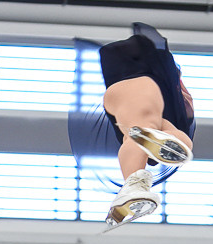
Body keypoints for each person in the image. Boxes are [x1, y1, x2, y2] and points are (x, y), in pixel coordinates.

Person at [69, 24, 195, 228]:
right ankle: (134, 184)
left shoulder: (144, 91)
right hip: (146, 89)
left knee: (163, 136)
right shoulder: (158, 77)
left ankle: (134, 185)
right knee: (144, 132)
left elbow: (186, 104)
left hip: (138, 94)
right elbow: (187, 103)